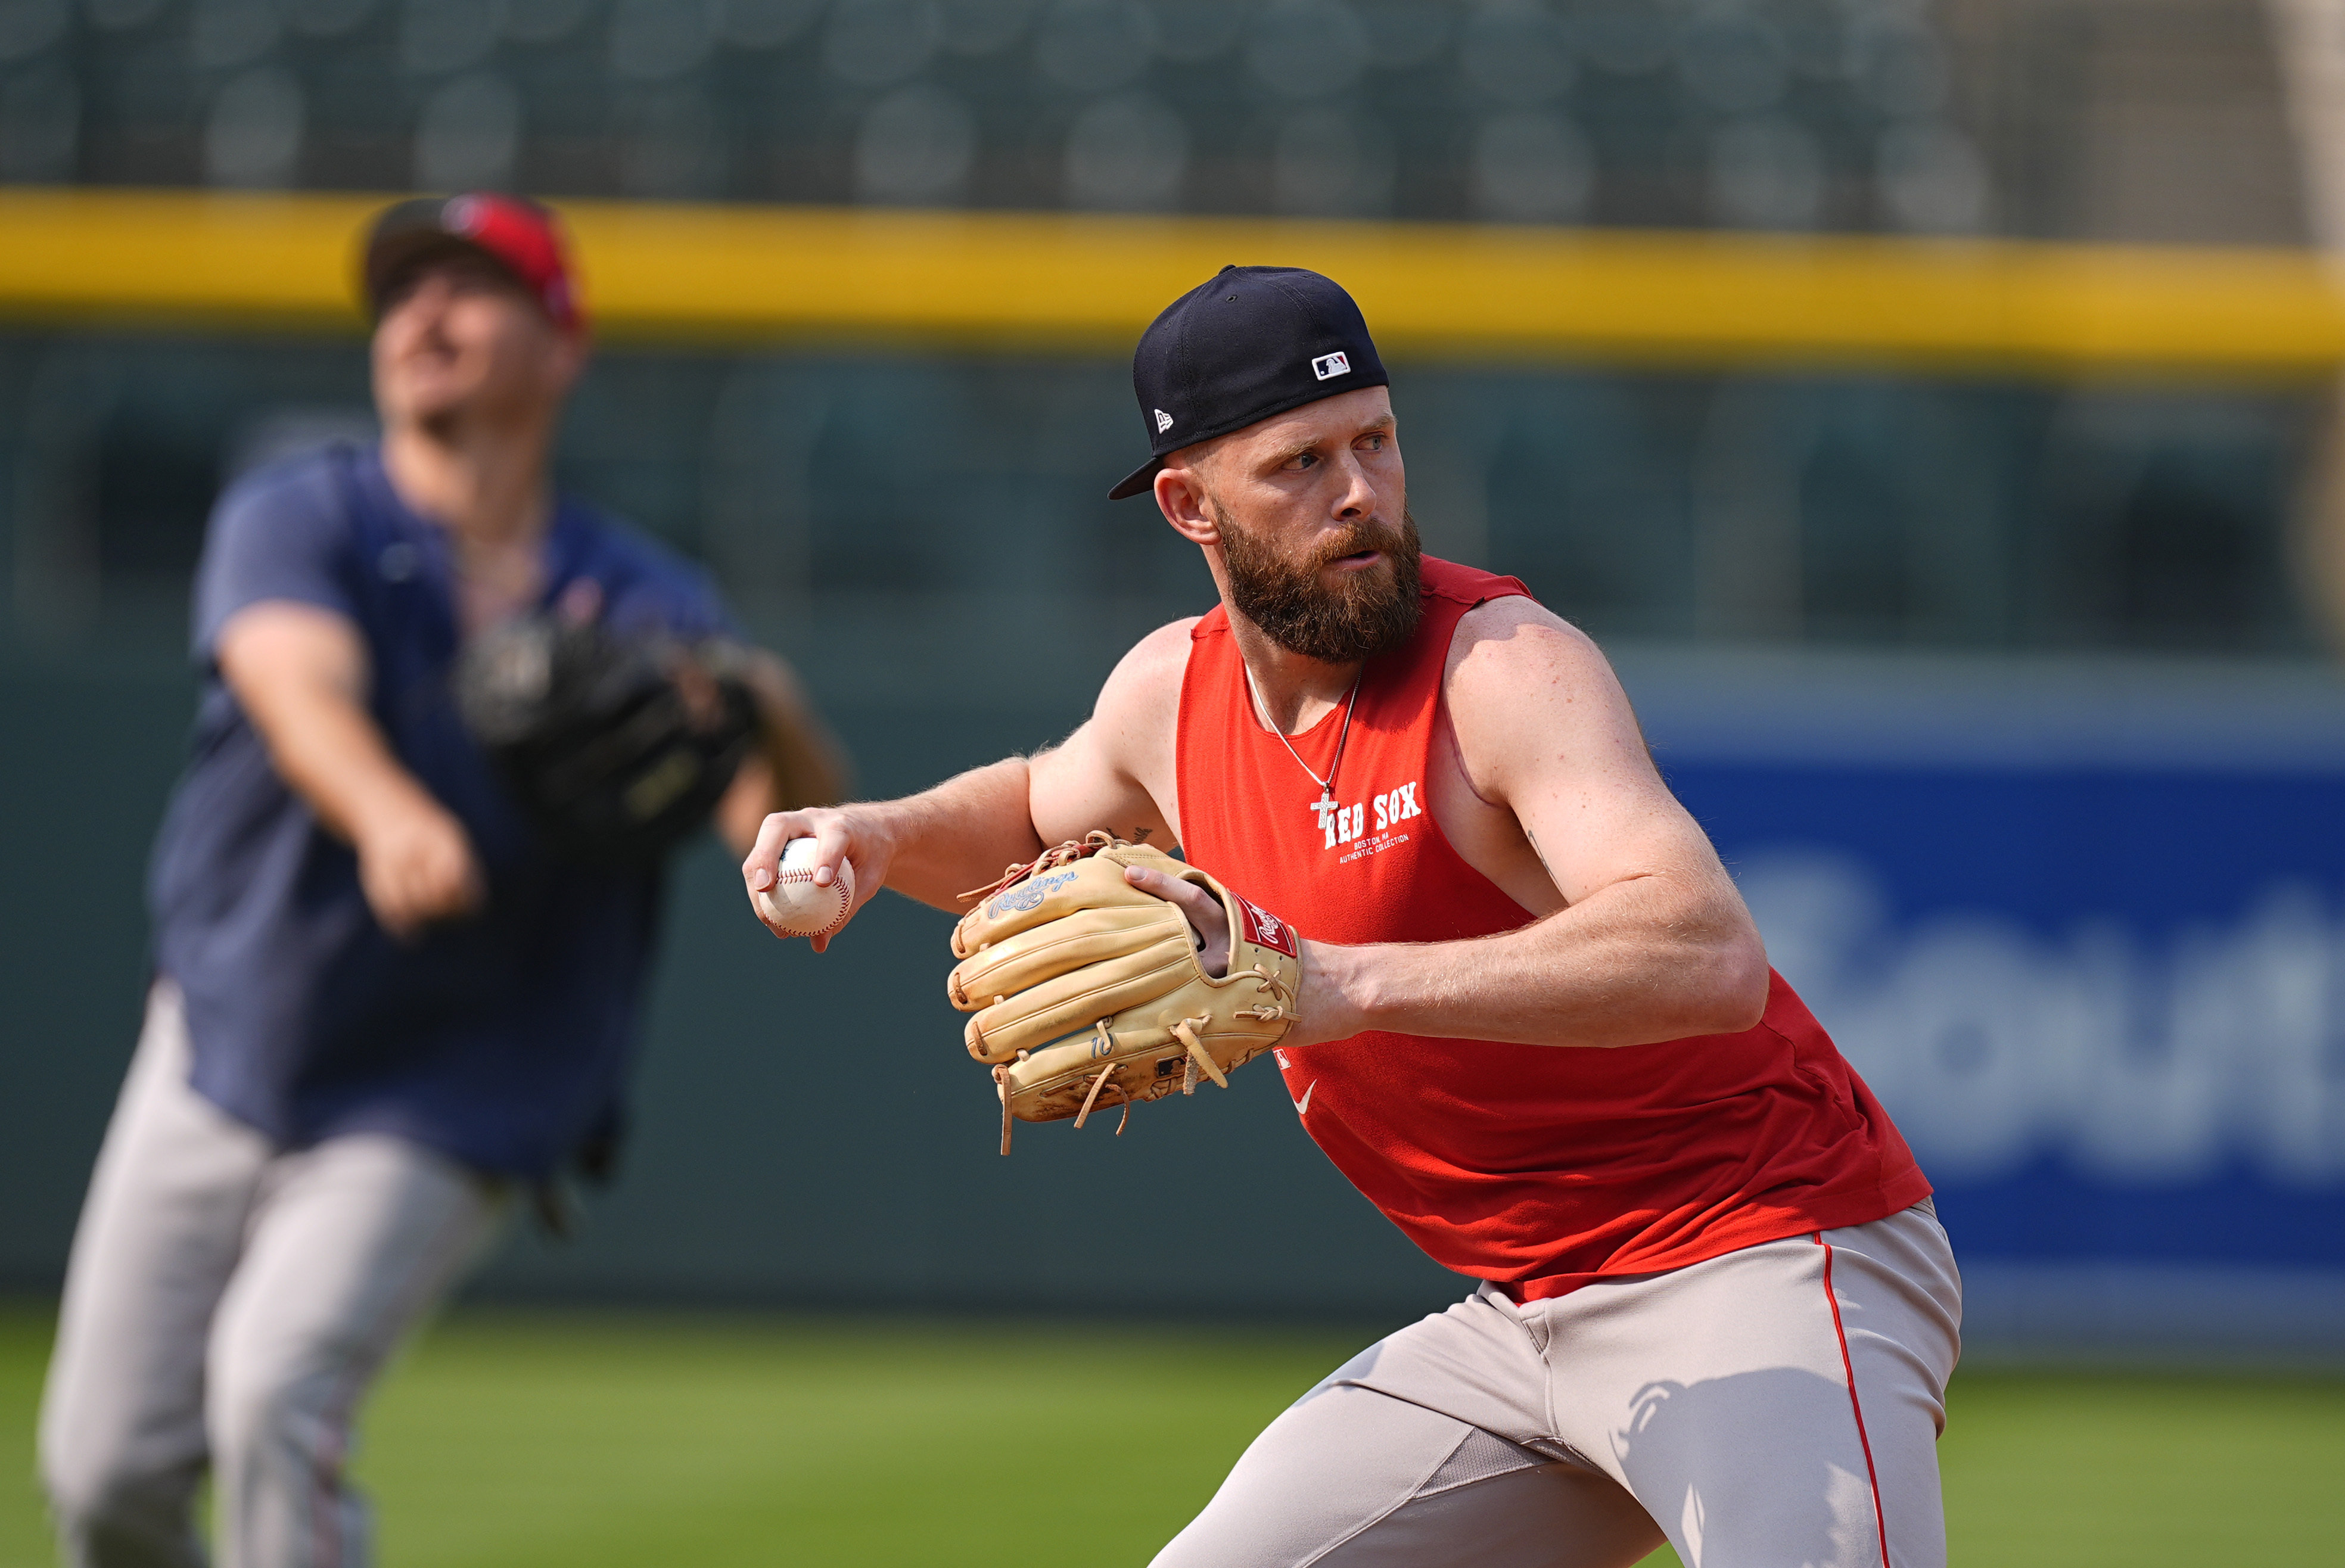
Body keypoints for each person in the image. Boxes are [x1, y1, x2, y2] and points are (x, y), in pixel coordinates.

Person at [742, 267, 1957, 1567]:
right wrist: (877, 833)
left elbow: (1706, 951)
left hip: (1759, 1256)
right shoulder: (1171, 693)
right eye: (1302, 463)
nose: (1362, 493)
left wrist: (1331, 981)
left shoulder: (1503, 665)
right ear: (1188, 504)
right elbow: (1032, 810)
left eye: (1376, 439)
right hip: (1523, 1318)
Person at [39, 193, 844, 1568]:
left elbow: (780, 823)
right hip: (233, 1027)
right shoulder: (304, 510)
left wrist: (764, 704)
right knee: (104, 1472)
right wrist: (390, 808)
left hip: (462, 1079)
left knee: (274, 1391)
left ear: (563, 340)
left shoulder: (641, 595)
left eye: (472, 287)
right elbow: (293, 683)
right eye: (404, 288)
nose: (423, 313)